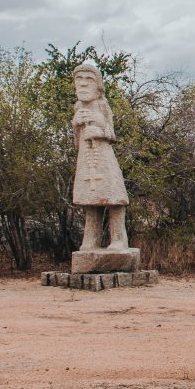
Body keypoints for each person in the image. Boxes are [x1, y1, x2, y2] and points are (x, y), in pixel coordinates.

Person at [71, 61, 129, 251]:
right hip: (86, 161)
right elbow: (77, 143)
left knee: (114, 198)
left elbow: (112, 134)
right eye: (79, 79)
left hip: (104, 159)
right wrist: (75, 125)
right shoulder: (78, 107)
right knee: (90, 202)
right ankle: (90, 240)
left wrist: (99, 131)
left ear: (98, 85)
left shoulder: (102, 105)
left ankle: (119, 239)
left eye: (88, 79)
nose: (83, 83)